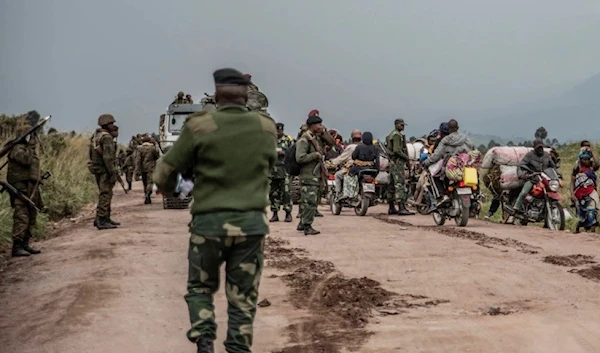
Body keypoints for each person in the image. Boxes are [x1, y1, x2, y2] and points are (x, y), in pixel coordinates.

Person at [153, 68, 276, 353]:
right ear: (248, 94)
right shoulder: (266, 126)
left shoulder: (199, 125)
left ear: (216, 94)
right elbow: (268, 166)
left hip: (209, 224)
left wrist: (174, 189)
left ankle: (205, 340)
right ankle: (238, 348)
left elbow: (164, 173)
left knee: (200, 288)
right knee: (243, 296)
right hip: (251, 224)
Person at [6, 122, 43, 257]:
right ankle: (17, 247)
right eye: (30, 135)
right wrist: (32, 145)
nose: (32, 137)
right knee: (22, 216)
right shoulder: (17, 149)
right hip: (20, 188)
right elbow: (26, 161)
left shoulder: (26, 148)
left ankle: (25, 244)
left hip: (30, 187)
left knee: (31, 216)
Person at [295, 112, 335, 235]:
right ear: (312, 125)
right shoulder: (305, 139)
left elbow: (331, 143)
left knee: (311, 200)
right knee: (310, 202)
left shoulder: (317, 137)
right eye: (319, 124)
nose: (321, 126)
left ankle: (302, 223)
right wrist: (315, 155)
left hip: (316, 175)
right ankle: (307, 225)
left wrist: (324, 132)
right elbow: (299, 158)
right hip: (308, 175)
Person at [423, 119, 474, 205]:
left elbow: (436, 155)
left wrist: (426, 162)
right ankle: (476, 196)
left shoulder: (445, 140)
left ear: (449, 128)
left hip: (450, 166)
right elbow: (472, 150)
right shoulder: (465, 138)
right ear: (458, 127)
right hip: (465, 165)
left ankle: (441, 196)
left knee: (433, 175)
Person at [89, 114, 120, 230]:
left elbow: (91, 153)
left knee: (106, 193)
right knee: (105, 194)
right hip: (104, 169)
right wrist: (112, 172)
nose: (113, 125)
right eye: (111, 123)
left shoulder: (96, 135)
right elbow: (108, 158)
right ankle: (101, 219)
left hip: (97, 168)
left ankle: (104, 218)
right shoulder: (106, 137)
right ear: (106, 124)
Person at [508, 139, 556, 214]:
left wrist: (558, 174)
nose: (540, 149)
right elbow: (521, 165)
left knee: (552, 190)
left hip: (545, 179)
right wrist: (522, 174)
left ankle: (546, 216)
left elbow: (553, 166)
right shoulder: (529, 155)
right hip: (532, 178)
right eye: (538, 148)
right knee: (524, 193)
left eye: (541, 147)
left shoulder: (546, 155)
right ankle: (515, 210)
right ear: (534, 148)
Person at [385, 118, 415, 215]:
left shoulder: (391, 134)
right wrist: (406, 157)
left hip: (392, 162)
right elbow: (397, 150)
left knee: (391, 185)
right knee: (399, 184)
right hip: (397, 162)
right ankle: (401, 207)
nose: (403, 127)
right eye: (401, 125)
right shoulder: (397, 135)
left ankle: (391, 207)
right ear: (396, 125)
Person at [327, 129, 362, 202]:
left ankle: (338, 194)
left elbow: (342, 158)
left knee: (337, 175)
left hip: (352, 169)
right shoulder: (365, 146)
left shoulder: (351, 147)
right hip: (364, 169)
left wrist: (332, 162)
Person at [342, 132, 380, 199]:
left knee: (348, 176)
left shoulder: (359, 147)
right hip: (371, 168)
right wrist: (377, 170)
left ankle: (348, 194)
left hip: (359, 168)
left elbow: (353, 157)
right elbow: (377, 161)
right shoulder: (375, 148)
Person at [269, 123, 294, 223]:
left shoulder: (288, 140)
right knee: (273, 193)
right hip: (273, 171)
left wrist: (284, 153)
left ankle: (288, 213)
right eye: (277, 131)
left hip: (285, 170)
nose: (278, 133)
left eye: (280, 131)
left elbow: (293, 153)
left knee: (286, 193)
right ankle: (275, 213)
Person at [572, 149, 599, 233]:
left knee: (592, 214)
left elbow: (598, 164)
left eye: (588, 159)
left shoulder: (591, 168)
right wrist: (572, 194)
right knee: (581, 216)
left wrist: (592, 153)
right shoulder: (577, 169)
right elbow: (572, 182)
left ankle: (592, 234)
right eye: (584, 159)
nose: (586, 161)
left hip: (591, 193)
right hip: (579, 195)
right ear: (580, 160)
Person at [138, 136, 160, 204]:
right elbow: (157, 157)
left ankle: (146, 195)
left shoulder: (140, 149)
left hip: (143, 168)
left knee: (145, 183)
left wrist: (137, 170)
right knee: (150, 182)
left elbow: (138, 160)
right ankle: (148, 194)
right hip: (151, 168)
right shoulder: (152, 148)